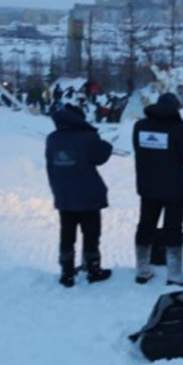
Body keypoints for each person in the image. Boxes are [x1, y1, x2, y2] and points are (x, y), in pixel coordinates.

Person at [132, 93, 183, 286]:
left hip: (147, 186)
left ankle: (143, 270)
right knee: (173, 228)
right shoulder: (179, 129)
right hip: (173, 189)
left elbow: (140, 150)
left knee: (146, 225)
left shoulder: (140, 127)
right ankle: (174, 274)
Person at [46, 104, 114, 287]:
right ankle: (93, 270)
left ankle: (66, 273)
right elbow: (101, 156)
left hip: (64, 195)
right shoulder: (88, 137)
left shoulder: (52, 139)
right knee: (91, 234)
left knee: (67, 236)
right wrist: (104, 142)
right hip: (88, 196)